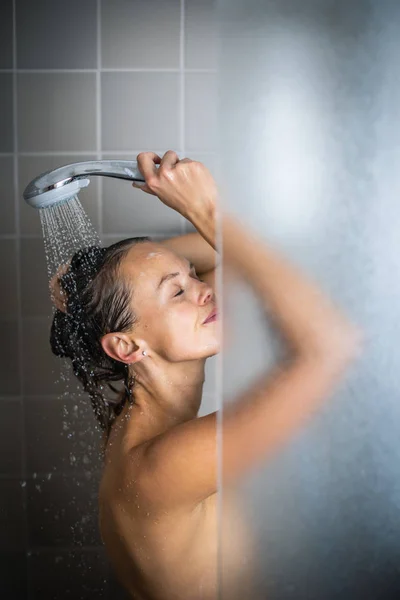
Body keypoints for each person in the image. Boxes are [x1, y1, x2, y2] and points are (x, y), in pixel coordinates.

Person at [50, 150, 363, 600]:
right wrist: (203, 210)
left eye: (191, 276)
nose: (203, 291)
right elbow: (333, 348)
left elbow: (231, 260)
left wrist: (99, 281)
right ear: (127, 346)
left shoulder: (138, 425)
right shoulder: (161, 464)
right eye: (177, 291)